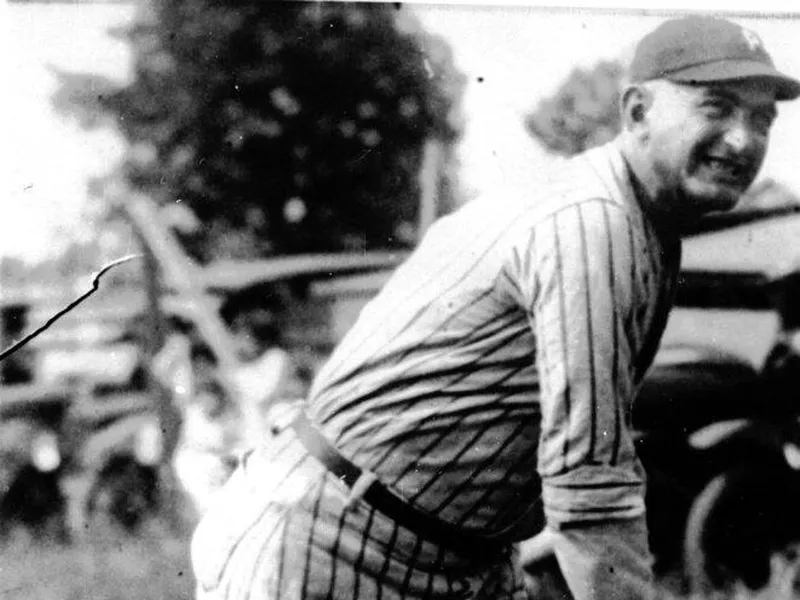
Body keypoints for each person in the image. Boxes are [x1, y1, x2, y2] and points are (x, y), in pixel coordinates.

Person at [191, 15, 800, 600]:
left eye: (762, 119)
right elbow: (588, 486)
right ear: (638, 112)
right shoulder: (593, 224)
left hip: (449, 552)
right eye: (715, 109)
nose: (745, 140)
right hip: (333, 540)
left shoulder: (644, 227)